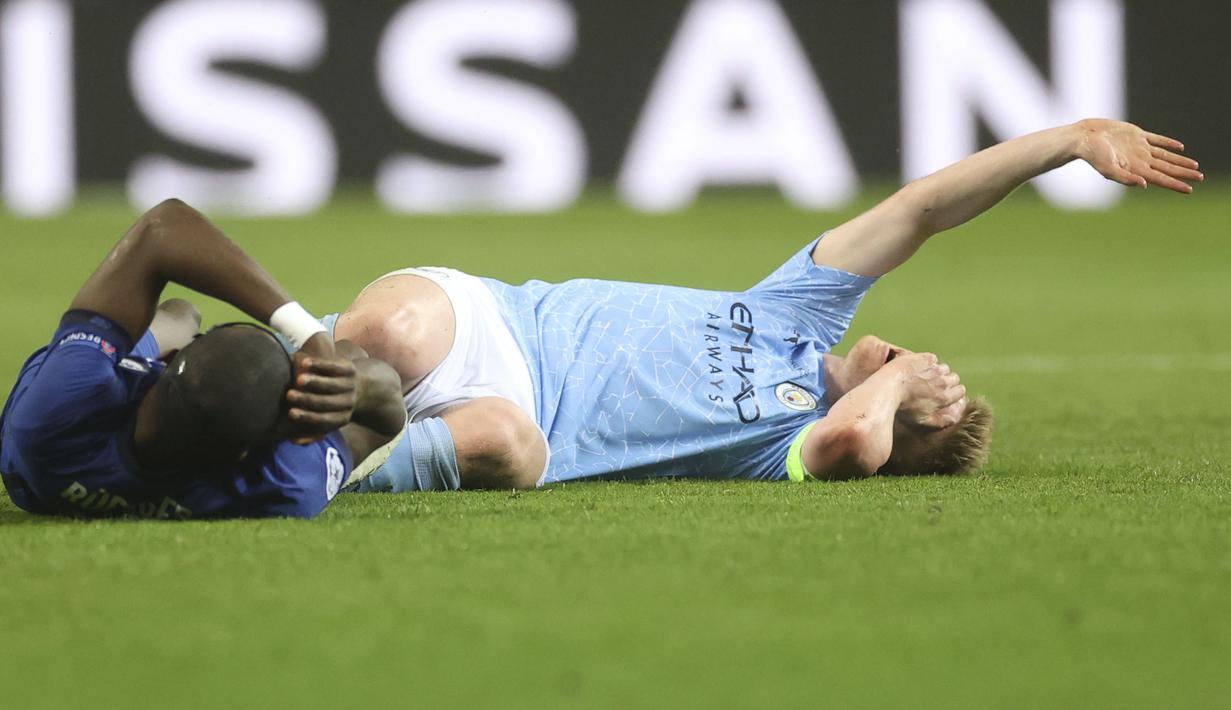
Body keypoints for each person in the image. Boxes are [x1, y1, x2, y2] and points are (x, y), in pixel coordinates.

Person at [330, 119, 1202, 492]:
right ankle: (255, 381)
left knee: (501, 446)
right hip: (498, 321)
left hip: (515, 419)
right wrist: (1068, 140)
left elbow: (850, 442)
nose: (930, 367)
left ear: (899, 429)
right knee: (388, 335)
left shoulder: (785, 447)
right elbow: (919, 209)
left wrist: (898, 397)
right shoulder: (801, 311)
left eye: (935, 398)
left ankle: (311, 468)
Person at [0, 199, 407, 519]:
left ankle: (187, 337)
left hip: (86, 410)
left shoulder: (56, 412)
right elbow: (386, 417)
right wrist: (356, 388)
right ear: (247, 453)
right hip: (162, 418)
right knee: (350, 353)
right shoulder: (280, 483)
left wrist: (305, 332)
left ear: (166, 365)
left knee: (178, 313)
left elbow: (164, 228)